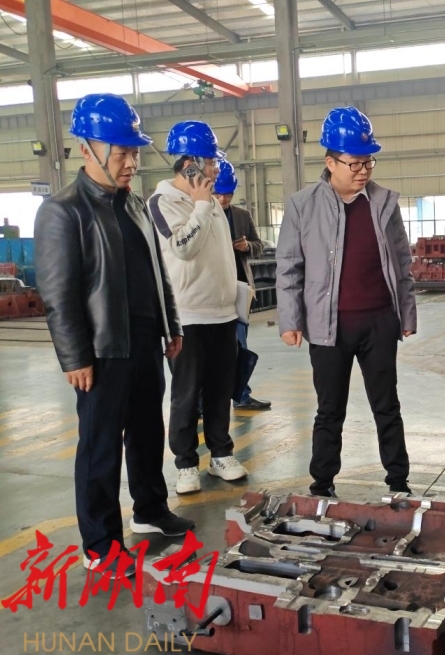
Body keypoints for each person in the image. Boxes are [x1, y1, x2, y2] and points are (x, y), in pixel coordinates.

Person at [34, 94, 193, 576]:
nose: (131, 162)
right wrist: (74, 357)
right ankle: (100, 545)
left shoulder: (135, 205)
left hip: (144, 342)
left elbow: (158, 272)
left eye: (134, 151)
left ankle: (150, 509)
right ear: (88, 149)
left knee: (147, 434)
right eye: (121, 152)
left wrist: (171, 324)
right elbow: (58, 293)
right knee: (100, 446)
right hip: (102, 351)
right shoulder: (64, 211)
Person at [276, 106, 416, 498]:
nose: (363, 170)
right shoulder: (302, 205)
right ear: (330, 162)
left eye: (368, 161)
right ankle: (322, 484)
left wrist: (406, 314)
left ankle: (398, 482)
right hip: (328, 326)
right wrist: (290, 320)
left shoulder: (384, 203)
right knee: (329, 409)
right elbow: (289, 267)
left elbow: (402, 262)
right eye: (355, 163)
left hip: (379, 322)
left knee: (386, 405)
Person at [148, 120, 249, 495]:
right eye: (211, 162)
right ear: (189, 164)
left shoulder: (213, 205)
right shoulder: (162, 202)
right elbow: (183, 248)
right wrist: (203, 205)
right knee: (187, 395)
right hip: (187, 318)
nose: (216, 169)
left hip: (223, 314)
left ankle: (221, 454)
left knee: (221, 390)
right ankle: (186, 463)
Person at [213, 160, 271, 411]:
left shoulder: (241, 216)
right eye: (218, 193)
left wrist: (247, 246)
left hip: (238, 289)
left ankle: (241, 395)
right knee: (208, 349)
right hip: (210, 292)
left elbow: (260, 245)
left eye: (228, 194)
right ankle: (203, 401)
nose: (223, 199)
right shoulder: (199, 214)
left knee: (240, 345)